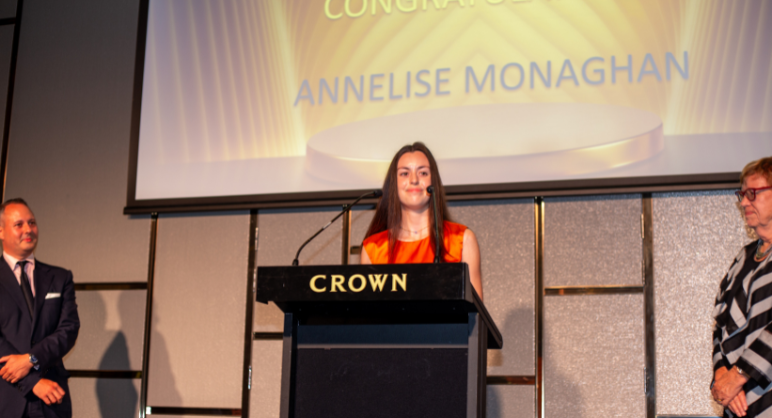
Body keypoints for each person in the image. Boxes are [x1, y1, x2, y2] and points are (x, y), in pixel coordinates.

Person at [361, 142, 483, 299]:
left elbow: (475, 317)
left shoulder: (461, 240)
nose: (414, 180)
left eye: (423, 173)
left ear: (434, 182)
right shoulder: (373, 249)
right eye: (404, 173)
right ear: (393, 184)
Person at [0, 199, 79, 418]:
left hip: (51, 400)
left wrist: (31, 359)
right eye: (19, 224)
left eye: (32, 223)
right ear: (1, 231)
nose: (28, 229)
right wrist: (32, 382)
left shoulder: (60, 278)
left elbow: (68, 330)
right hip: (6, 399)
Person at [712, 157, 772, 418]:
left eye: (753, 194)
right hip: (743, 404)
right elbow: (720, 324)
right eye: (742, 194)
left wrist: (740, 375)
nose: (744, 202)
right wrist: (722, 374)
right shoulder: (743, 257)